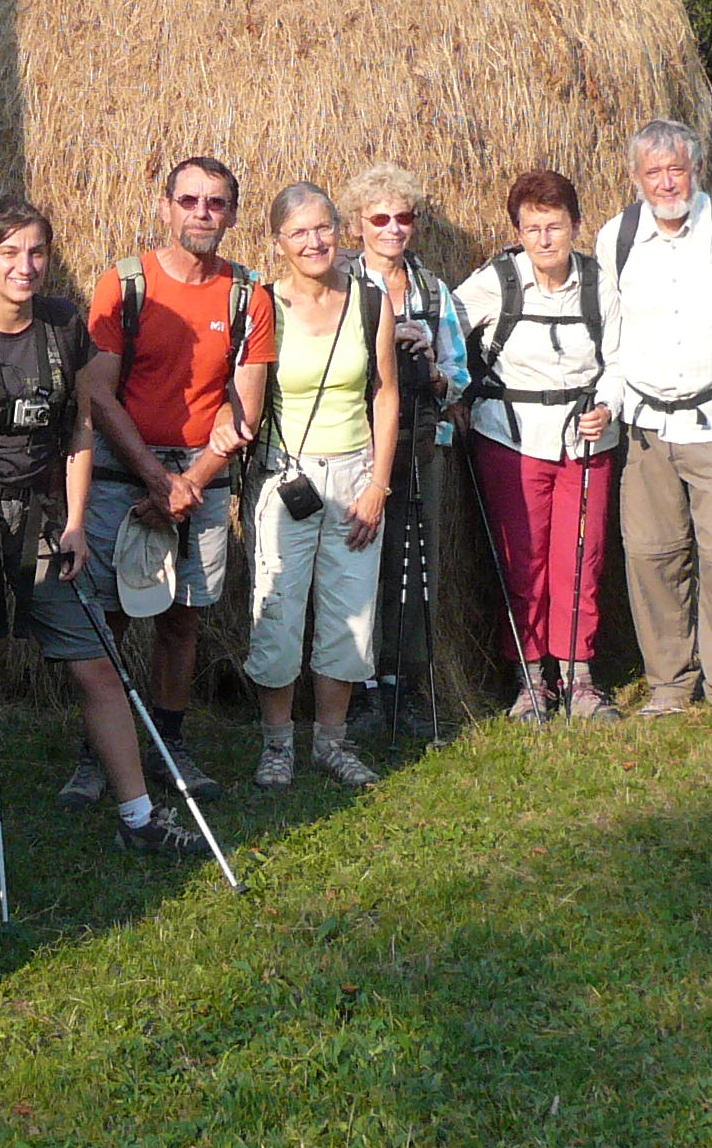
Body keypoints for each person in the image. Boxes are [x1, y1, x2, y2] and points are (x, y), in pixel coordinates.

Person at [0, 198, 207, 857]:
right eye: (8, 252)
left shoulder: (65, 326)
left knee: (95, 664)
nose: (25, 266)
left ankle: (138, 817)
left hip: (37, 525)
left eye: (36, 251)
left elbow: (79, 430)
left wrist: (72, 525)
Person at [80, 157, 276, 804]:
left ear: (231, 214)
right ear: (165, 206)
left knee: (182, 618)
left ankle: (169, 742)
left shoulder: (249, 296)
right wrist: (155, 479)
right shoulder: (124, 285)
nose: (201, 213)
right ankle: (97, 751)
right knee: (108, 615)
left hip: (203, 478)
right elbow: (98, 395)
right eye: (189, 200)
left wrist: (189, 482)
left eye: (215, 203)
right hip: (122, 472)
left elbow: (245, 403)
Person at [599, 118, 712, 733]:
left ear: (695, 169)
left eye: (675, 169)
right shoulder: (618, 237)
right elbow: (613, 333)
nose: (665, 182)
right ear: (636, 178)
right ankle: (669, 684)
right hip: (648, 427)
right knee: (653, 556)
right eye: (653, 173)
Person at [247, 183, 401, 789]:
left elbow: (386, 393)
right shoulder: (263, 304)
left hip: (357, 473)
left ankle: (331, 743)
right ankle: (278, 744)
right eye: (299, 232)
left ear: (341, 230)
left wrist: (378, 484)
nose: (314, 242)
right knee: (278, 612)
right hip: (286, 477)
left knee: (349, 612)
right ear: (278, 242)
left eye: (324, 228)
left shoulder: (369, 299)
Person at [458, 168, 622, 723]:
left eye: (554, 226)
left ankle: (578, 677)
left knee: (581, 556)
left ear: (575, 225)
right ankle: (530, 681)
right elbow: (445, 327)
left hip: (585, 440)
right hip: (510, 438)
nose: (544, 240)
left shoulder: (602, 286)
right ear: (518, 231)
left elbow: (623, 359)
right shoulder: (496, 282)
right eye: (532, 229)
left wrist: (608, 405)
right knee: (521, 559)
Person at [342, 163, 471, 738]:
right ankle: (357, 688)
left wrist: (436, 369)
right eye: (380, 219)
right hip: (356, 446)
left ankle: (407, 686)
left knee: (416, 564)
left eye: (404, 218)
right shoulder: (341, 286)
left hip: (422, 443)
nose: (393, 229)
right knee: (359, 562)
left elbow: (462, 374)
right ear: (358, 226)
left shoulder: (432, 290)